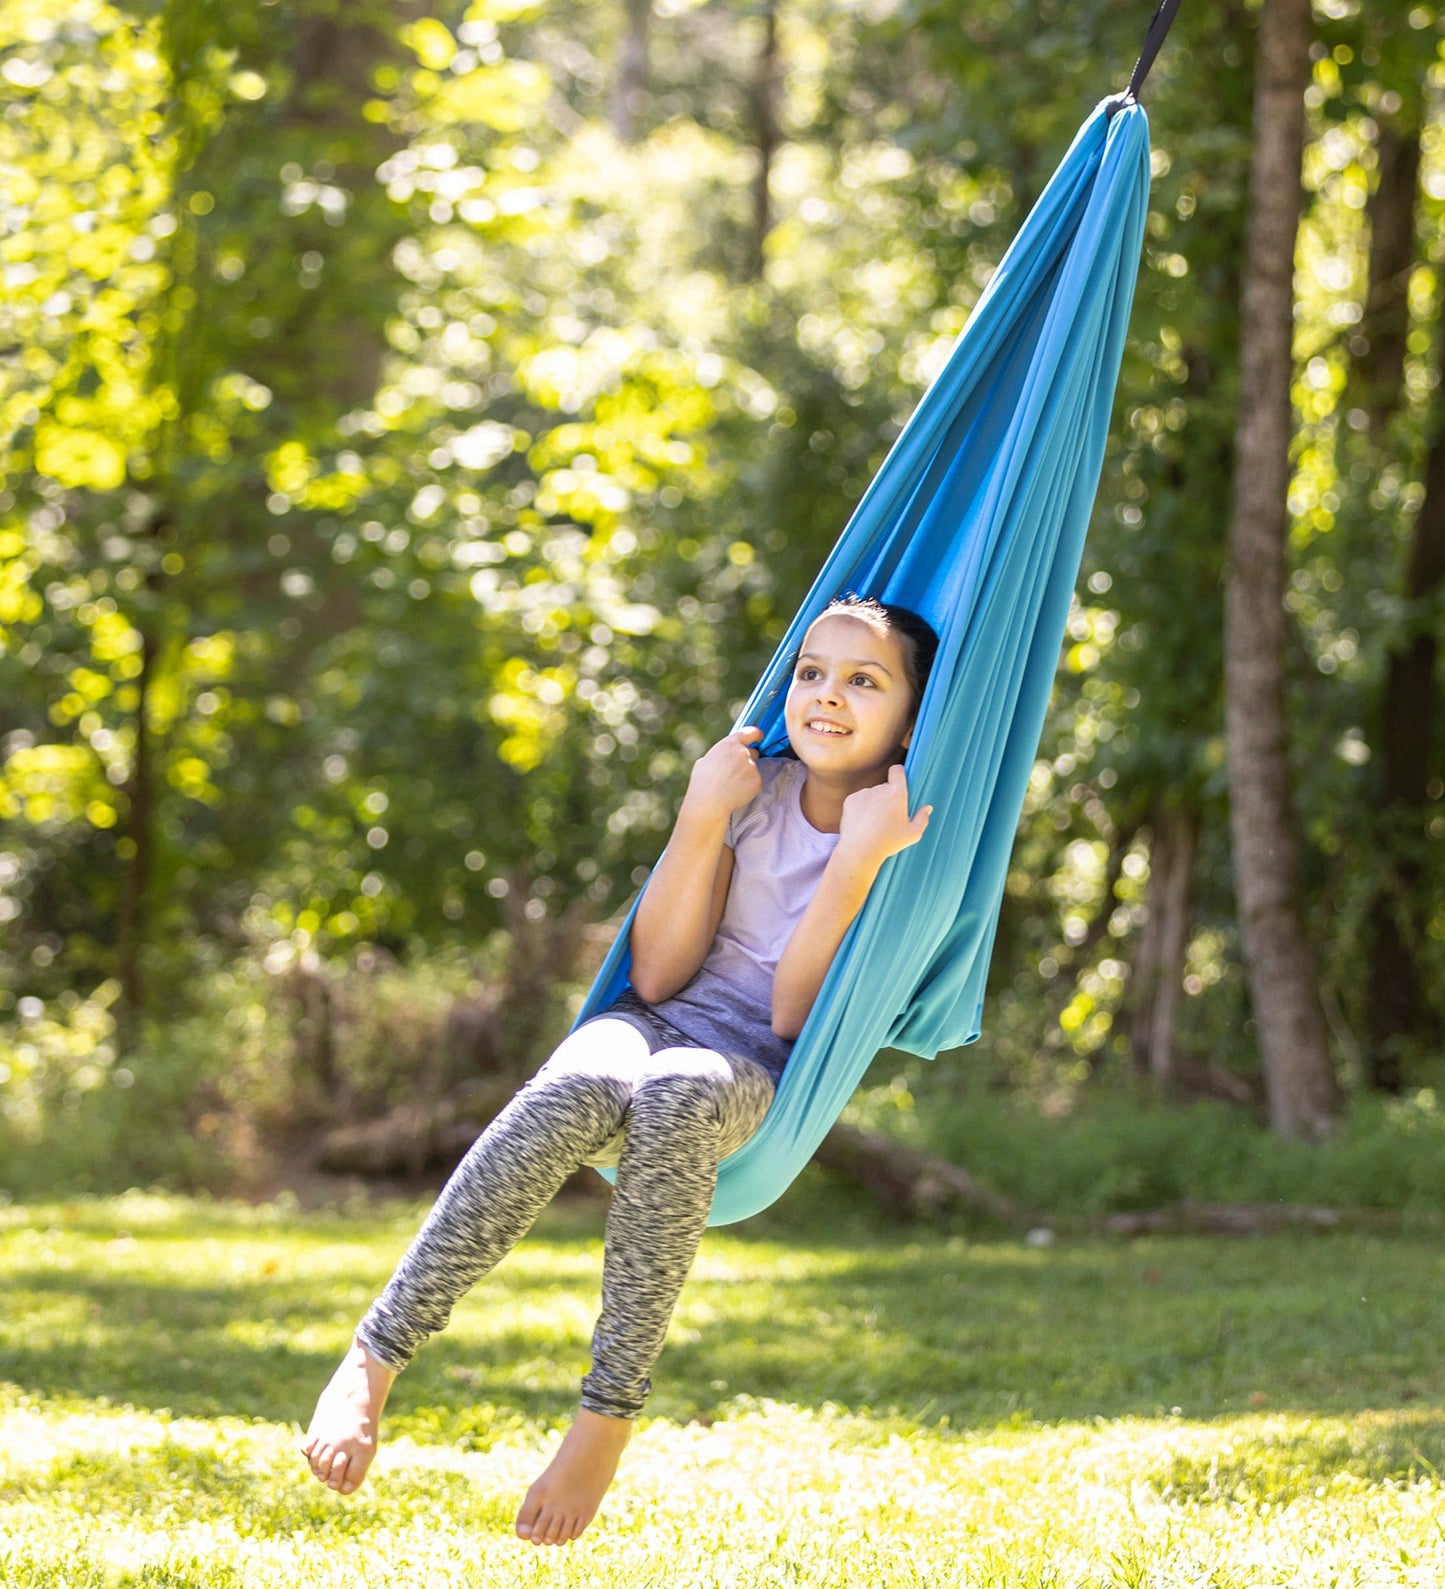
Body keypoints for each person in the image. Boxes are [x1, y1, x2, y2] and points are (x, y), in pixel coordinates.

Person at [300, 593, 938, 1545]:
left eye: (863, 680)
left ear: (910, 718)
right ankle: (376, 1352)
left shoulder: (900, 834)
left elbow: (794, 1015)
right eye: (811, 672)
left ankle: (605, 1417)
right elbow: (656, 973)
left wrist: (851, 866)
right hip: (653, 1016)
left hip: (752, 1062)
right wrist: (697, 814)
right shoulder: (748, 788)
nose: (827, 695)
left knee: (679, 1092)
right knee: (575, 1083)